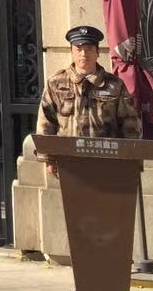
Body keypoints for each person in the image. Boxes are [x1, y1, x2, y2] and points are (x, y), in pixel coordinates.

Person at [35, 25, 141, 177]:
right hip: (68, 160)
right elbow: (46, 122)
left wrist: (132, 160)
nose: (83, 54)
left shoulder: (114, 85)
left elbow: (130, 124)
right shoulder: (56, 83)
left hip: (107, 160)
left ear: (97, 52)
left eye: (89, 49)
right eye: (78, 49)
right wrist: (48, 158)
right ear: (72, 52)